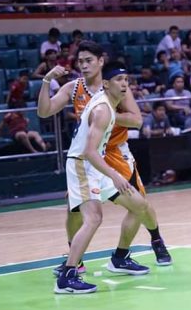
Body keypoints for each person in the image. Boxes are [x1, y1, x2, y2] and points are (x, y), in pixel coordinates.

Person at [38, 41, 172, 274]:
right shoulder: (74, 88)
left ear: (101, 61)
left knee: (139, 203)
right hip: (88, 154)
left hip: (114, 152)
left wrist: (105, 115)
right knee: (76, 210)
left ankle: (152, 241)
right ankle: (74, 262)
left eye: (88, 60)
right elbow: (44, 111)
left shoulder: (116, 87)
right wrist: (46, 80)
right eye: (80, 61)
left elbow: (137, 120)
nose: (83, 65)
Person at [53, 62, 158, 293]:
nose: (124, 85)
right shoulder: (102, 110)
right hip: (83, 164)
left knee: (139, 205)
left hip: (95, 165)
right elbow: (89, 151)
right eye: (119, 81)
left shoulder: (111, 106)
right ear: (106, 84)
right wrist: (115, 175)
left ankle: (120, 258)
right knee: (93, 219)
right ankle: (68, 276)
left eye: (127, 80)